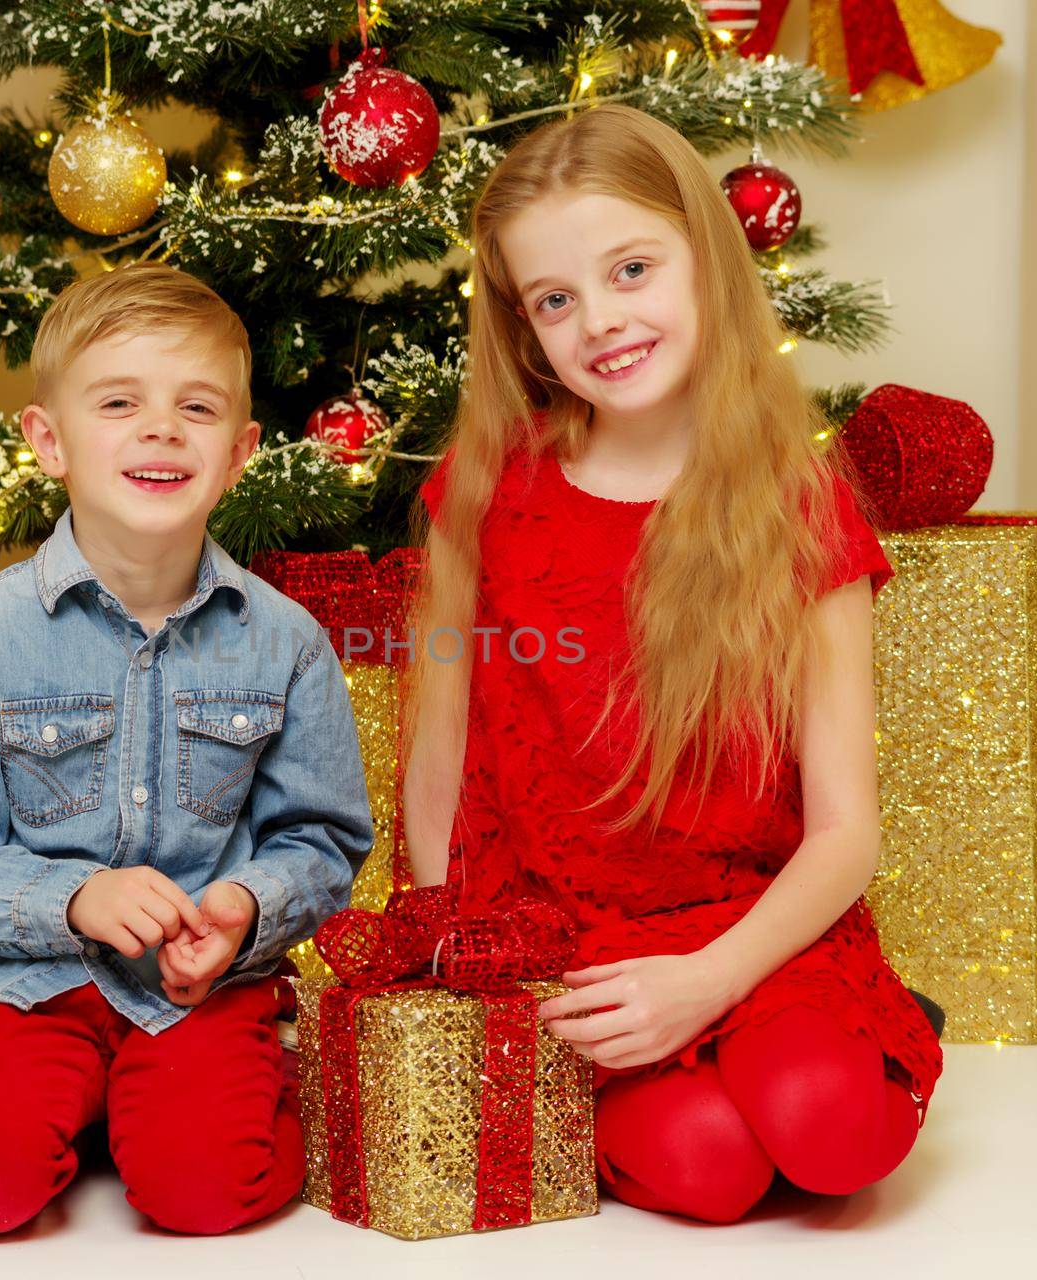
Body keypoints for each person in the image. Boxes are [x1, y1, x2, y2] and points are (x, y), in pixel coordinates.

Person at [402, 104, 943, 1225]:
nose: (599, 320)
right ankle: (670, 1087)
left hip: (746, 928)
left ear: (705, 257)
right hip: (569, 945)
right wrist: (468, 955)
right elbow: (440, 751)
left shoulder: (798, 505)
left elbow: (846, 829)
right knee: (707, 1168)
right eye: (554, 300)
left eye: (632, 268)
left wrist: (709, 978)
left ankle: (830, 1034)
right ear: (521, 326)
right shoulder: (484, 487)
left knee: (828, 1133)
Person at [0, 262, 374, 1236]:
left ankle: (188, 1099)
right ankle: (88, 1099)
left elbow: (321, 839)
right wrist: (73, 896)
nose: (160, 428)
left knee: (202, 1195)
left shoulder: (284, 641)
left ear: (238, 454)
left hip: (198, 989)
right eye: (120, 402)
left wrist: (242, 904)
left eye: (195, 407)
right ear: (49, 440)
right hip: (29, 983)